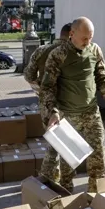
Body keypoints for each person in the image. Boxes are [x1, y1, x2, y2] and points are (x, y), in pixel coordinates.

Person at [40, 16, 105, 193]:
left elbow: (102, 79)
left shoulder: (95, 50)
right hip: (67, 117)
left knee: (98, 161)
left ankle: (96, 199)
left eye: (91, 37)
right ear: (72, 34)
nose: (88, 42)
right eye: (84, 38)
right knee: (67, 167)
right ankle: (68, 200)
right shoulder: (58, 55)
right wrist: (53, 112)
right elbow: (47, 87)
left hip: (91, 114)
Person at [23, 22, 72, 184]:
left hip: (46, 104)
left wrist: (42, 87)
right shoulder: (73, 52)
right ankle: (51, 180)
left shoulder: (42, 50)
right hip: (68, 103)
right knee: (65, 145)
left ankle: (50, 179)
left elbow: (28, 75)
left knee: (55, 142)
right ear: (72, 35)